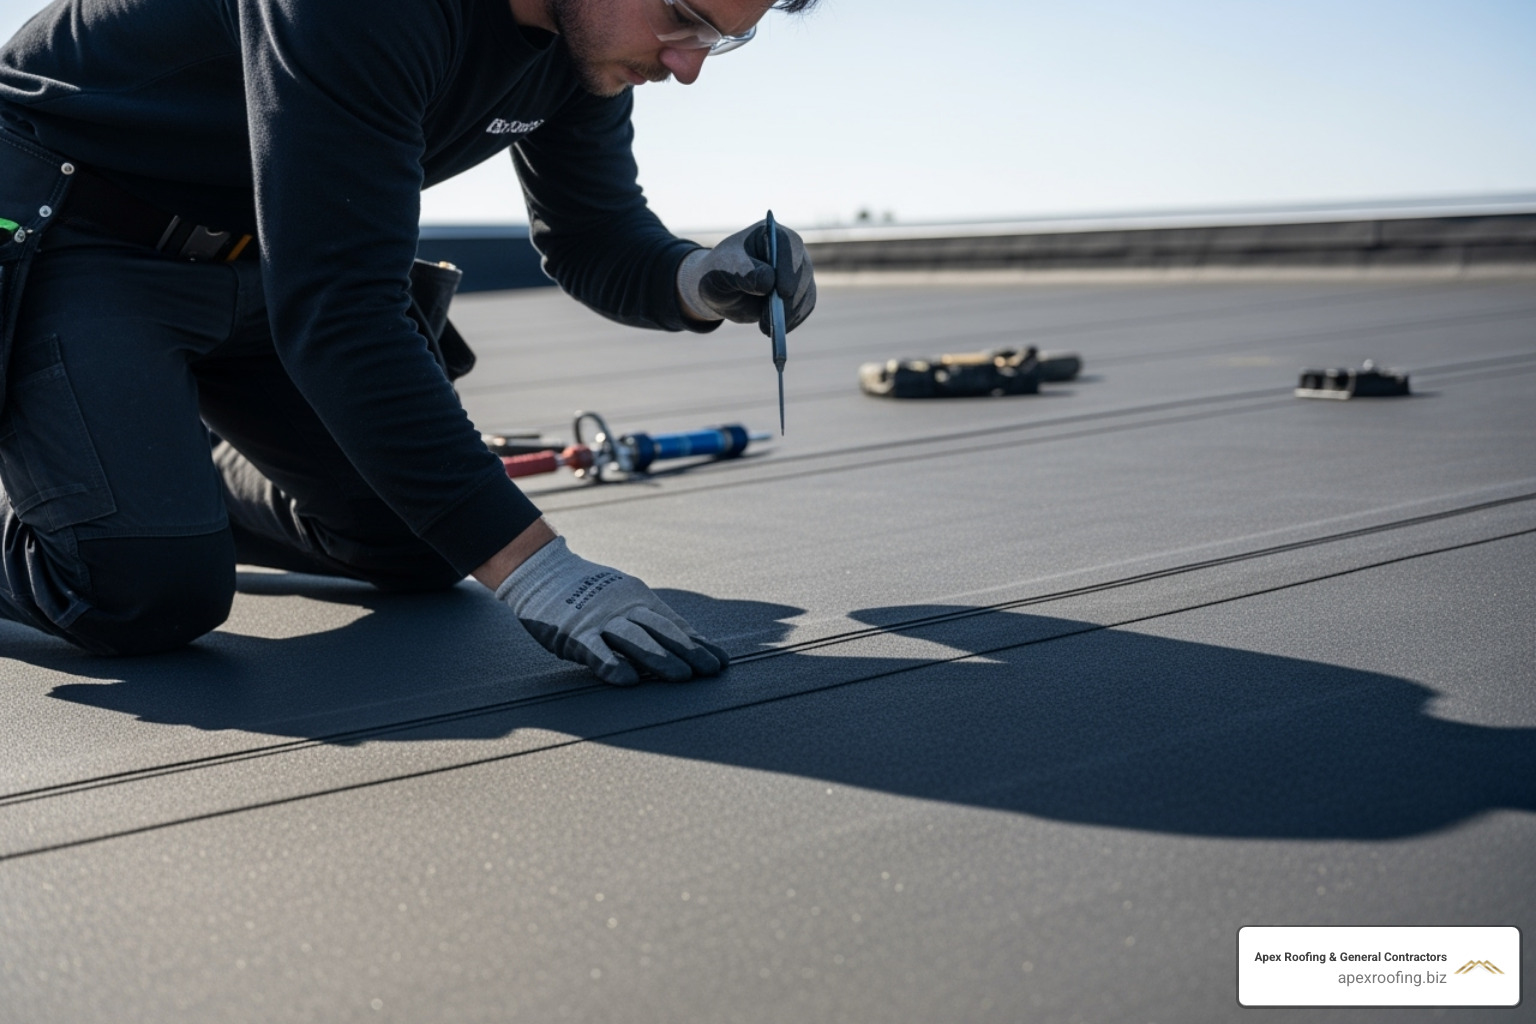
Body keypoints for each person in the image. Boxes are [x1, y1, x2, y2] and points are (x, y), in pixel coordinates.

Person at [0, 0, 818, 684]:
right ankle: (120, 505)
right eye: (683, 18)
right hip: (77, 236)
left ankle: (142, 480)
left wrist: (701, 275)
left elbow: (592, 232)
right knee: (141, 592)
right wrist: (541, 572)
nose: (687, 65)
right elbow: (343, 312)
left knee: (420, 543)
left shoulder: (586, 38)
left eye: (721, 37)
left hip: (262, 261)